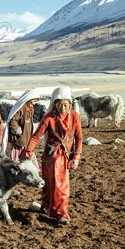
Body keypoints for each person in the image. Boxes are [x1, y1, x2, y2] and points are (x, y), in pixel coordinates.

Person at [22, 86, 83, 225]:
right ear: (55, 104)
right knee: (49, 183)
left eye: (65, 105)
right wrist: (28, 151)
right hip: (50, 157)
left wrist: (76, 157)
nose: (62, 107)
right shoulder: (49, 117)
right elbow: (37, 136)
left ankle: (61, 214)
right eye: (59, 104)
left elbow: (79, 138)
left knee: (61, 186)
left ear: (70, 104)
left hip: (64, 157)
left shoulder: (74, 116)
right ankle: (47, 206)